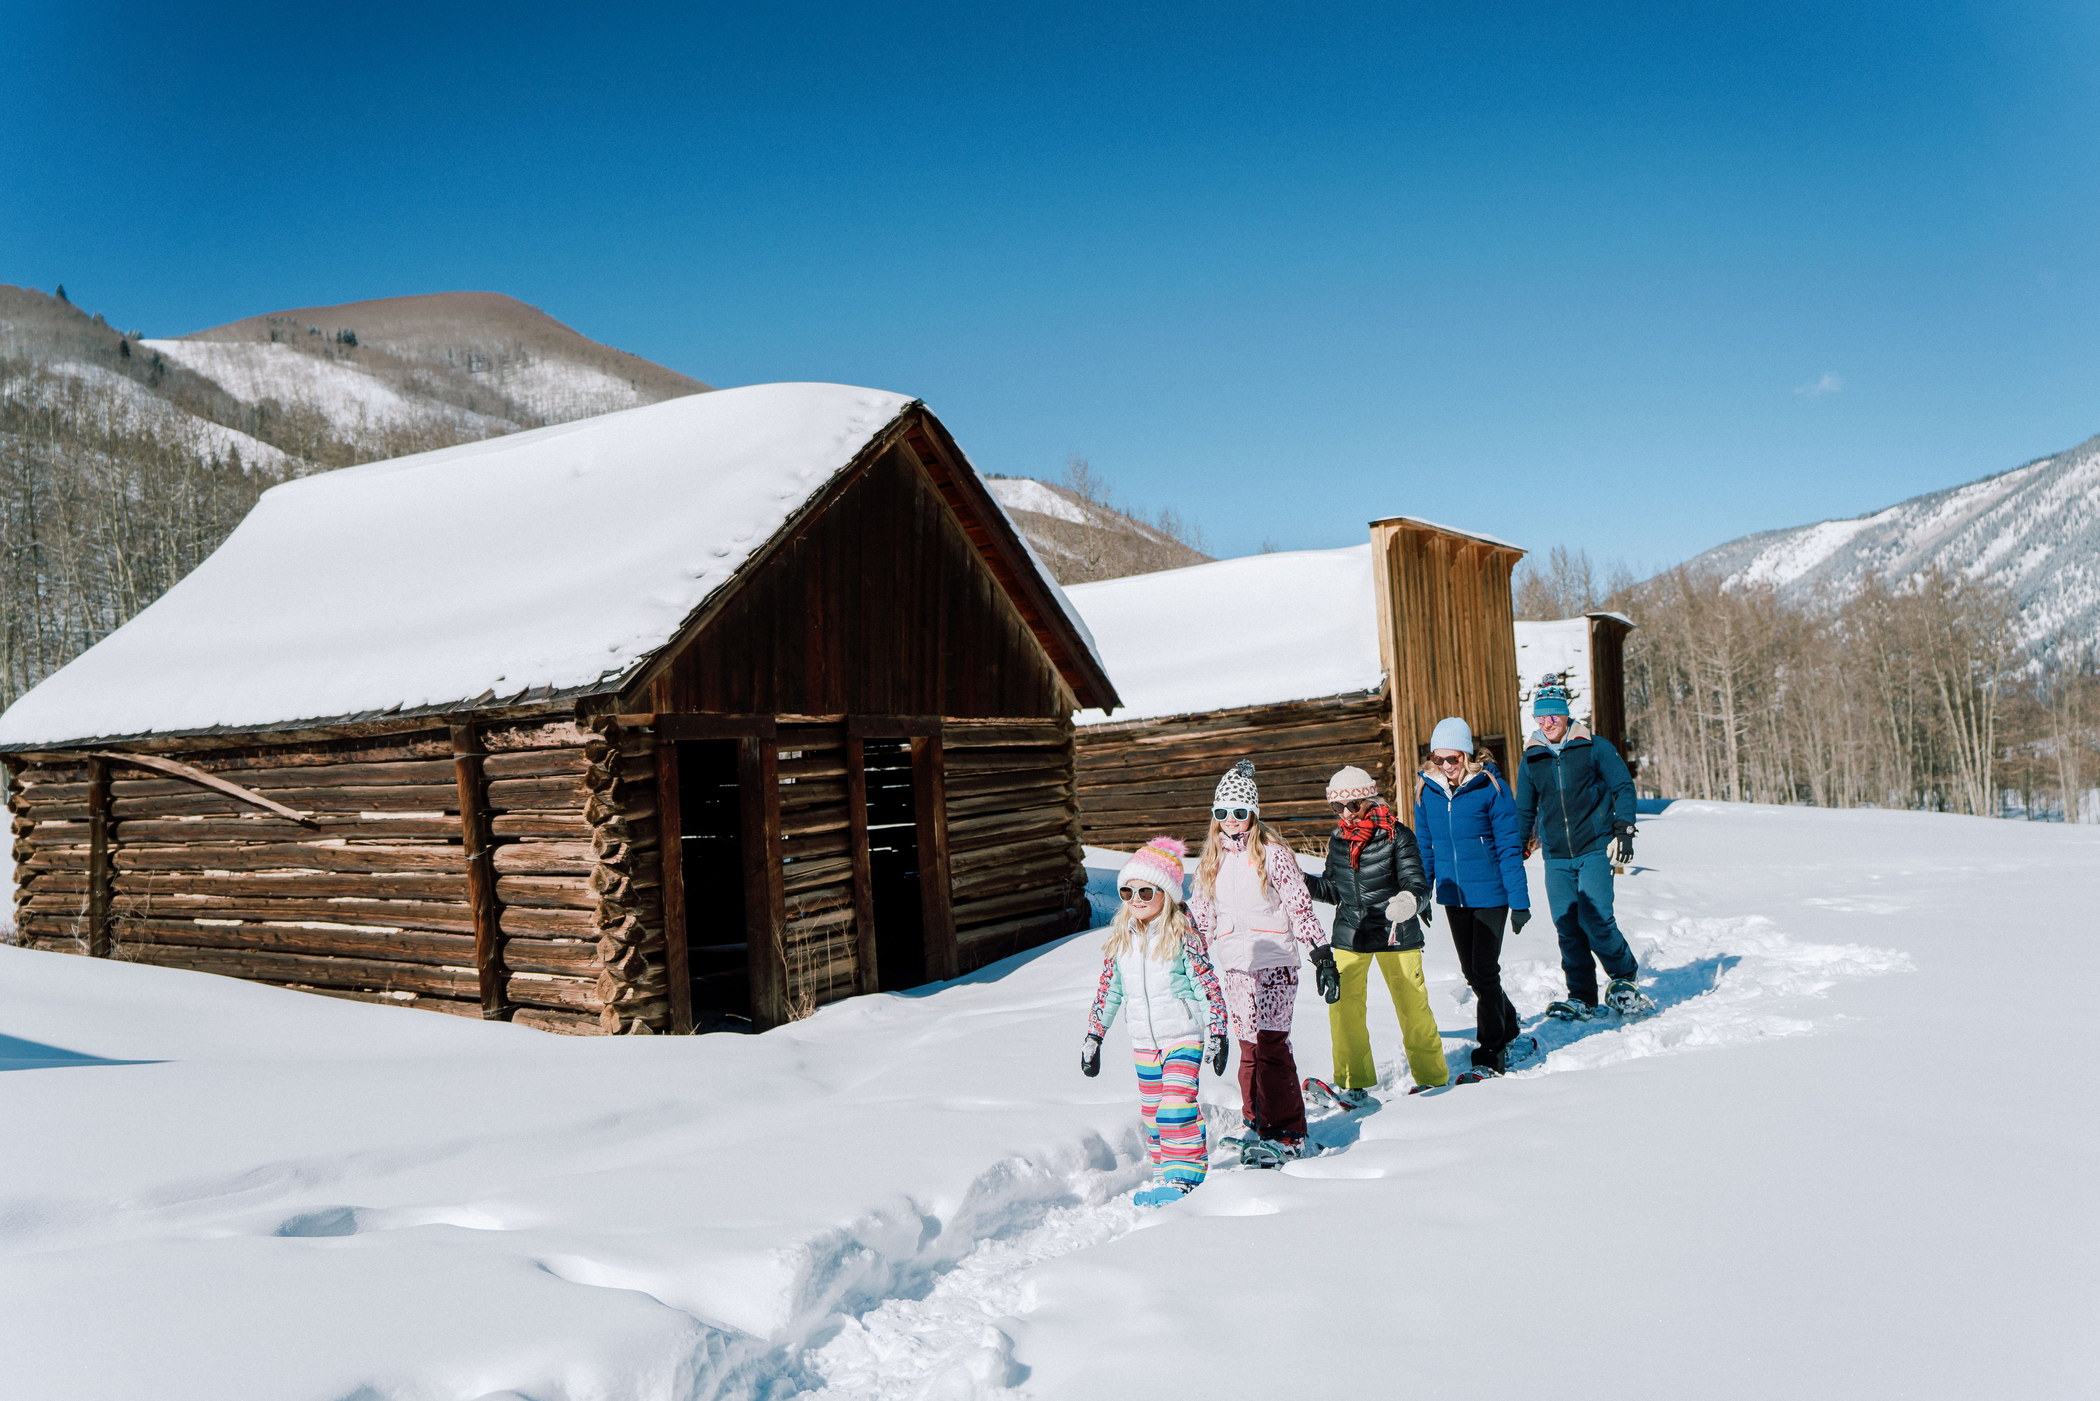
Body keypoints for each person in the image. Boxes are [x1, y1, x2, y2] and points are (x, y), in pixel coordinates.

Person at [1186, 760, 1326, 1164]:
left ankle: (1288, 1132)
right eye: (1222, 813)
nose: (1231, 822)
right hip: (1236, 970)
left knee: (1271, 1047)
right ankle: (1256, 1120)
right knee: (1249, 1050)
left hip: (1275, 966)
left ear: (1254, 814)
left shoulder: (1273, 855)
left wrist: (1321, 952)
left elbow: (1300, 906)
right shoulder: (1210, 864)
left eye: (1240, 813)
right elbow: (1201, 919)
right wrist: (1184, 947)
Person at [1081, 836, 1230, 1206]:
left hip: (1182, 1035)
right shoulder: (1122, 939)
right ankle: (1166, 1174)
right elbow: (1108, 991)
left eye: (1145, 892)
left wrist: (1218, 1032)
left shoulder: (1182, 935)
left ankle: (1185, 1178)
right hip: (1144, 1043)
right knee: (1152, 1114)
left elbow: (1207, 985)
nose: (1136, 901)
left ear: (1166, 894)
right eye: (1127, 892)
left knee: (1175, 1107)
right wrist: (1093, 1036)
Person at [1303, 765, 1449, 1104]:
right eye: (1337, 807)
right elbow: (1334, 889)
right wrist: (1301, 881)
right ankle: (1354, 1083)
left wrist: (1409, 900)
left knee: (1413, 1008)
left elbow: (1418, 883)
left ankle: (1433, 1080)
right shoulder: (1339, 840)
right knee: (1343, 1009)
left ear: (1369, 799)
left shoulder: (1398, 836)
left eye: (1352, 805)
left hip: (1395, 931)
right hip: (1351, 933)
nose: (1345, 814)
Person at [1513, 676, 1653, 1019]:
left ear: (1564, 715)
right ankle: (1582, 996)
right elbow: (1524, 809)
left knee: (1596, 918)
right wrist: (1518, 845)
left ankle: (1624, 977)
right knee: (1567, 925)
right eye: (1540, 717)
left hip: (1595, 847)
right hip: (1557, 855)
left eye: (1553, 717)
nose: (1547, 723)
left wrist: (1624, 830)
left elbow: (1623, 787)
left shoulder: (1594, 746)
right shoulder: (1531, 758)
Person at [1414, 716, 1535, 1079]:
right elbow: (1425, 848)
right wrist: (1423, 893)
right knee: (1473, 973)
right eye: (1439, 760)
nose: (1447, 767)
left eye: (1453, 759)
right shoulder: (1426, 791)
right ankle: (1509, 1026)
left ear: (1467, 755)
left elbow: (1509, 848)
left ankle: (1491, 1052)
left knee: (1484, 970)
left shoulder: (1491, 788)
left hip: (1490, 894)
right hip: (1454, 895)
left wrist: (1519, 901)